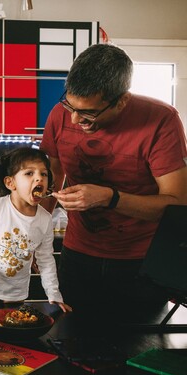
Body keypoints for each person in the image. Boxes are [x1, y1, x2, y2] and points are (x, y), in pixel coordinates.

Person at [40, 43, 187, 307]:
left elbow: (178, 205)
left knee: (136, 346)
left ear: (122, 100)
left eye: (89, 113)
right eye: (70, 106)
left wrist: (110, 198)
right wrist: (32, 235)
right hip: (76, 256)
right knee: (70, 340)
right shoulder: (60, 115)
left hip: (141, 264)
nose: (74, 120)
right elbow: (51, 173)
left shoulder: (162, 120)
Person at [0, 147, 72, 312]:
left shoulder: (45, 219)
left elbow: (45, 260)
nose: (39, 179)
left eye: (43, 174)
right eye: (29, 173)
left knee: (13, 328)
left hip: (16, 291)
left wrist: (54, 294)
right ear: (10, 183)